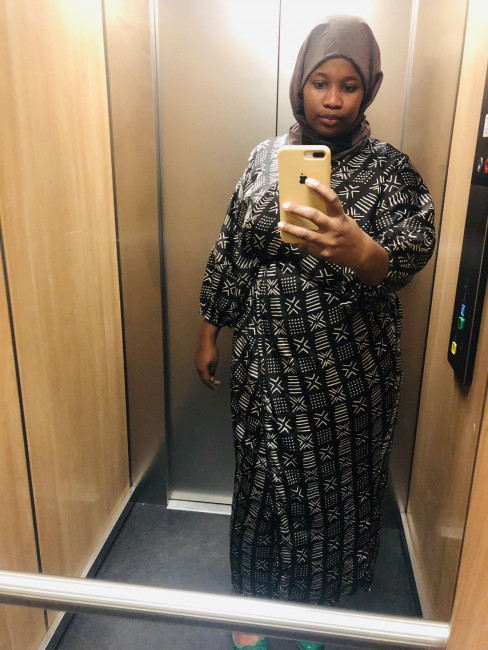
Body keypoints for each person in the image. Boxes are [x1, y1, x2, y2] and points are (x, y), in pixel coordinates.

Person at [194, 15, 435, 650]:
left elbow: (415, 249)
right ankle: (254, 606)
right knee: (260, 487)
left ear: (368, 89)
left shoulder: (390, 171)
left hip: (346, 373)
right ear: (300, 83)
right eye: (320, 82)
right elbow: (231, 248)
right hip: (265, 364)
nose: (332, 99)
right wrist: (210, 331)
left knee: (332, 493)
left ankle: (313, 616)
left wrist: (364, 251)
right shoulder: (264, 159)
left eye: (349, 85)